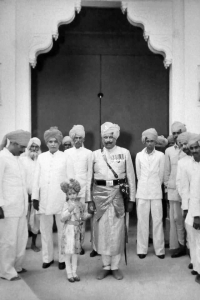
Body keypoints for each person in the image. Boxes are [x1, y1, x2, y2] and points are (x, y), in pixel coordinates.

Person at [87, 122, 136, 280]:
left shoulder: (125, 153)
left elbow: (131, 178)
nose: (108, 140)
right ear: (102, 138)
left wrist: (132, 199)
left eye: (111, 137)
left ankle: (115, 266)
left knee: (117, 230)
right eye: (105, 137)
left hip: (118, 195)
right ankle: (105, 265)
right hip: (99, 195)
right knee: (102, 231)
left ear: (115, 137)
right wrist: (89, 200)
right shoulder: (94, 154)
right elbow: (89, 179)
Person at [32, 127, 67, 269]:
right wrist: (35, 197)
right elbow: (36, 178)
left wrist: (70, 199)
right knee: (45, 230)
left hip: (60, 198)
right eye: (50, 141)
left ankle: (63, 258)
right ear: (46, 143)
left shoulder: (65, 156)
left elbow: (70, 178)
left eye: (55, 141)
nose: (53, 144)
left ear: (59, 143)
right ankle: (47, 258)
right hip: (44, 199)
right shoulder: (41, 157)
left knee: (62, 230)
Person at [0, 130, 31, 281]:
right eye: (22, 147)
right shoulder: (1, 157)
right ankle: (6, 271)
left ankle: (17, 266)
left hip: (21, 207)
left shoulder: (17, 159)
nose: (24, 150)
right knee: (8, 241)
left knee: (21, 239)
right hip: (8, 208)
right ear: (13, 143)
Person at [136, 128, 165, 259]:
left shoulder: (160, 156)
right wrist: (145, 185)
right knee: (142, 220)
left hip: (156, 192)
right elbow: (139, 174)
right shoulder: (139, 155)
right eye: (147, 141)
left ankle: (160, 250)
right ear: (144, 141)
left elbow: (161, 175)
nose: (150, 143)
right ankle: (142, 249)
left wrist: (154, 185)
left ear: (155, 142)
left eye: (152, 141)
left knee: (158, 220)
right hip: (142, 192)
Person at [64, 125, 93, 255]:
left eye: (80, 138)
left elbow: (90, 175)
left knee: (81, 219)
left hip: (83, 191)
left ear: (84, 139)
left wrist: (87, 194)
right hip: (70, 193)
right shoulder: (67, 153)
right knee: (71, 219)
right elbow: (65, 173)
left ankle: (80, 245)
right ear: (72, 139)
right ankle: (71, 244)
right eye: (75, 138)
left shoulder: (88, 153)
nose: (78, 140)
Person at [178, 134, 200, 284]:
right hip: (193, 207)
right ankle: (198, 267)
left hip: (197, 209)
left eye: (196, 147)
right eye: (192, 148)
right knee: (193, 240)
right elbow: (186, 189)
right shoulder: (188, 164)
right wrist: (188, 209)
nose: (194, 150)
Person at [60, 179, 91, 282]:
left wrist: (90, 213)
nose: (72, 196)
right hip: (68, 231)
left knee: (75, 253)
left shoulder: (80, 204)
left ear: (77, 193)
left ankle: (74, 272)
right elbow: (62, 218)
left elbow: (83, 216)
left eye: (74, 193)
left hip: (77, 231)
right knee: (68, 253)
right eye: (70, 194)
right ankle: (69, 274)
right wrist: (69, 210)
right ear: (67, 195)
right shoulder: (66, 204)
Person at [164, 121, 187, 257]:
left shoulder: (190, 148)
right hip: (173, 189)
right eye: (174, 133)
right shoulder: (169, 151)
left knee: (187, 218)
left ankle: (189, 246)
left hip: (187, 190)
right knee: (175, 218)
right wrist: (168, 186)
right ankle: (178, 245)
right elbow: (166, 172)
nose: (177, 135)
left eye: (179, 132)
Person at [20, 137, 41, 252]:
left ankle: (33, 244)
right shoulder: (22, 159)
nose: (34, 149)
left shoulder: (41, 160)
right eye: (32, 146)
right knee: (23, 220)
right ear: (28, 148)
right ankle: (22, 245)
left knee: (35, 220)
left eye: (36, 147)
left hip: (36, 195)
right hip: (24, 194)